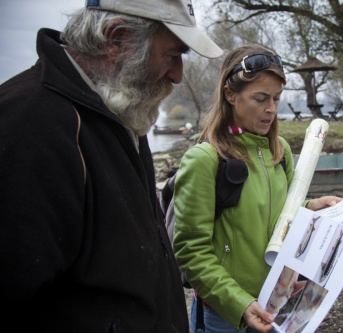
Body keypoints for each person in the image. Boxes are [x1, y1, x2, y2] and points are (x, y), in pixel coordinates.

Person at [0, 0, 222, 332]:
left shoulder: (122, 110)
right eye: (173, 54)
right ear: (116, 41)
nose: (178, 75)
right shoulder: (26, 126)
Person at [172, 45, 343, 333]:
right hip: (225, 316)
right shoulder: (204, 160)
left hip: (279, 304)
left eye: (276, 98)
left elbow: (278, 216)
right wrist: (239, 304)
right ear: (230, 95)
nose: (272, 110)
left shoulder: (280, 150)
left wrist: (308, 208)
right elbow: (191, 251)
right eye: (261, 98)